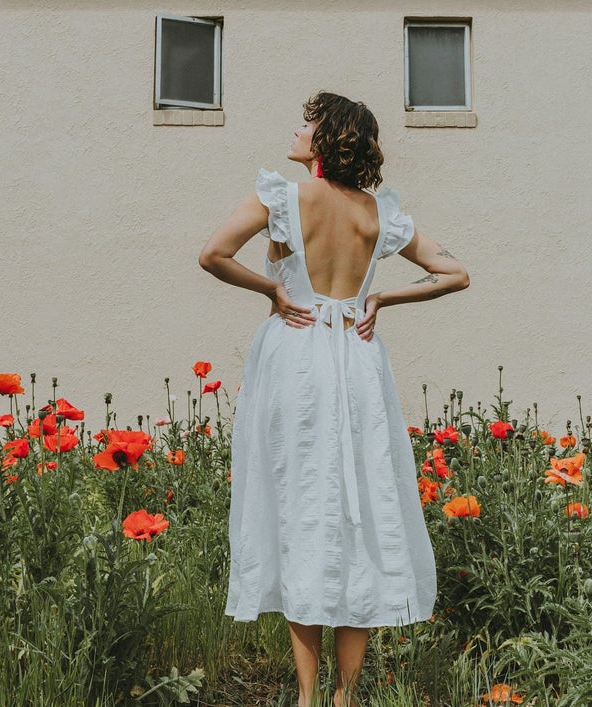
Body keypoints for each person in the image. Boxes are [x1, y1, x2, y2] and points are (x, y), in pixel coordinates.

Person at [198, 91, 469, 707]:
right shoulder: (378, 214)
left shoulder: (279, 198)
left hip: (296, 361)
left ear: (326, 140)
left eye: (307, 124)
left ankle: (307, 696)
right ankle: (346, 697)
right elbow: (455, 272)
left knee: (300, 510)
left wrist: (272, 289)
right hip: (357, 362)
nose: (296, 131)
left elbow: (212, 254)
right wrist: (381, 299)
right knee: (363, 512)